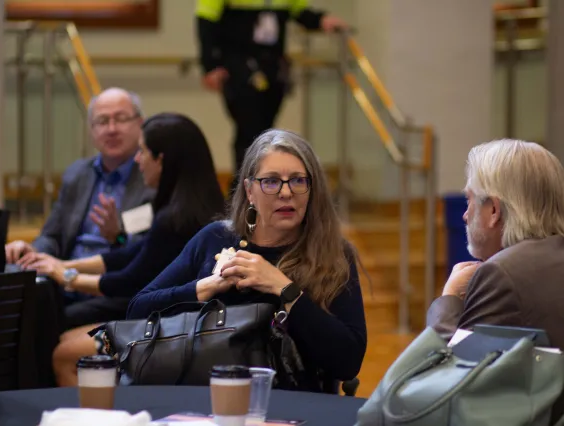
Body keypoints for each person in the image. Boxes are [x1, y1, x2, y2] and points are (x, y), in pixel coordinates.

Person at [52, 129, 367, 389]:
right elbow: (138, 308)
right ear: (250, 190)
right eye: (271, 181)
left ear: (312, 190)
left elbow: (347, 360)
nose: (286, 193)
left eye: (298, 180)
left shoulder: (333, 254)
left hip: (288, 402)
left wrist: (283, 288)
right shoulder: (216, 238)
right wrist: (205, 287)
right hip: (199, 396)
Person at [20, 113, 225, 330]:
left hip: (162, 320)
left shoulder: (173, 218)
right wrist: (62, 264)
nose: (138, 159)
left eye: (143, 151)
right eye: (101, 121)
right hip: (153, 306)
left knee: (56, 333)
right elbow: (134, 253)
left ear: (161, 159)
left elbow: (130, 280)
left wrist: (65, 275)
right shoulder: (196, 205)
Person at [426, 139, 564, 423]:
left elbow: (445, 382)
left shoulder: (500, 274)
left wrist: (448, 298)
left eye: (469, 200)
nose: (464, 215)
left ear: (494, 211)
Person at [5, 88, 155, 303]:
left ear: (141, 124)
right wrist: (32, 251)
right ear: (91, 130)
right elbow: (52, 236)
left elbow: (150, 255)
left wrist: (118, 236)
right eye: (102, 121)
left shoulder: (150, 178)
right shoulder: (78, 174)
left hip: (111, 287)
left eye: (121, 119)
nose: (111, 129)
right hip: (61, 282)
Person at [195, 0, 348, 185]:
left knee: (266, 132)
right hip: (240, 65)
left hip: (272, 66)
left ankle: (260, 188)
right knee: (249, 132)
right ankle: (244, 194)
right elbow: (206, 19)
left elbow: (298, 11)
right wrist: (209, 64)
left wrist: (321, 20)